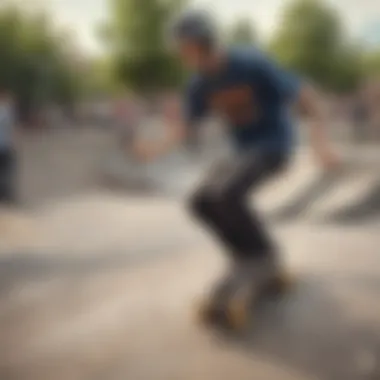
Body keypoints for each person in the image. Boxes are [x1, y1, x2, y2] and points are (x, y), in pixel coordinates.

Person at [133, 11, 339, 329]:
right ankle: (247, 256)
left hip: (274, 146)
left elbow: (307, 97)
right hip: (242, 152)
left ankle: (262, 257)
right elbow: (184, 128)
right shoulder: (199, 83)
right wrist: (155, 149)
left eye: (183, 49)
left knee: (226, 194)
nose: (181, 57)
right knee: (200, 202)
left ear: (202, 43)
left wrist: (320, 146)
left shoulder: (250, 63)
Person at [0, 90, 17, 204]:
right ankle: (7, 195)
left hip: (5, 146)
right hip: (6, 146)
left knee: (5, 172)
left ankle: (5, 194)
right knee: (7, 172)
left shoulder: (7, 111)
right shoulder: (7, 111)